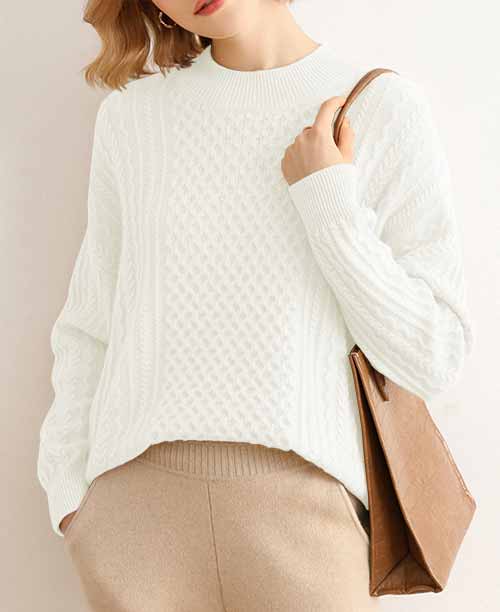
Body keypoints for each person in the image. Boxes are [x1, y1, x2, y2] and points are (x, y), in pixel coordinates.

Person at [36, 0, 474, 610]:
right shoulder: (132, 117)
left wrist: (328, 200)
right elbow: (90, 325)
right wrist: (70, 498)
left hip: (312, 519)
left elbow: (433, 355)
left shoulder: (379, 106)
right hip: (135, 522)